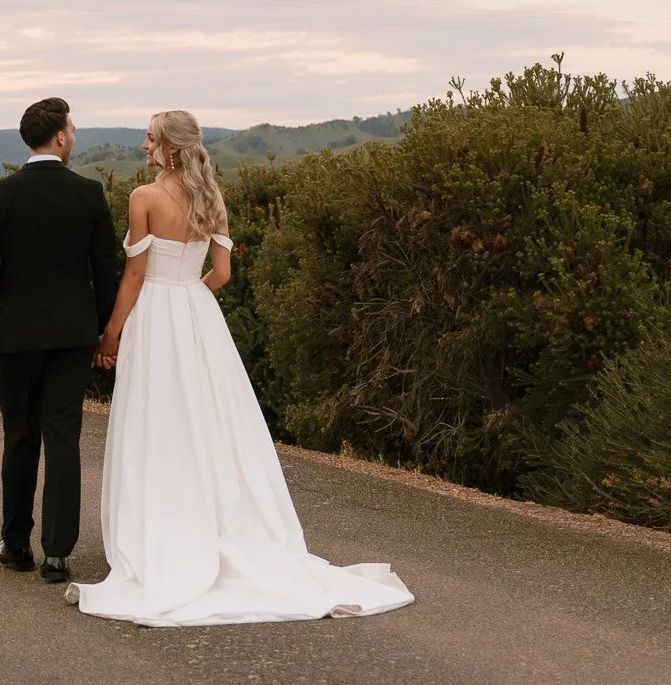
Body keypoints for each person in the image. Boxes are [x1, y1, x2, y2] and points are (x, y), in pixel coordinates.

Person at [71, 109, 415, 626]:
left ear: (168, 147)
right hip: (198, 314)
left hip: (157, 317)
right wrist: (190, 299)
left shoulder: (143, 198)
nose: (142, 146)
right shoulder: (213, 198)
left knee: (158, 419)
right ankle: (217, 525)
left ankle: (160, 531)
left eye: (148, 139)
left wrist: (114, 332)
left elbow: (135, 276)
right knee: (213, 422)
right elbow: (223, 273)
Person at [0, 96, 118, 583]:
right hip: (72, 334)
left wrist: (22, 286)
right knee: (63, 438)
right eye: (73, 129)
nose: (74, 136)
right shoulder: (89, 194)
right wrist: (103, 331)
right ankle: (56, 554)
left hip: (15, 334)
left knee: (19, 437)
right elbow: (105, 271)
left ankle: (15, 544)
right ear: (60, 137)